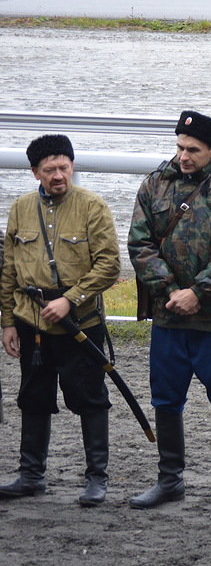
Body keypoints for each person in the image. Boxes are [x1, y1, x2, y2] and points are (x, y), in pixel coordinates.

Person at [128, 111, 211, 512]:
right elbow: (139, 243)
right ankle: (170, 480)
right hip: (168, 316)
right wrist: (170, 290)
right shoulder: (155, 183)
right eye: (180, 147)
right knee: (166, 398)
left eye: (193, 150)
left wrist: (198, 293)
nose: (183, 156)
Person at [0, 135, 120, 506]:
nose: (58, 176)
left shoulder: (93, 207)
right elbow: (8, 269)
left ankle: (96, 479)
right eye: (49, 169)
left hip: (80, 323)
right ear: (34, 172)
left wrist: (70, 300)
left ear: (72, 166)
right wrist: (7, 321)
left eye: (64, 167)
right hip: (30, 322)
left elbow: (109, 265)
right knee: (33, 399)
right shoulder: (20, 209)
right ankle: (31, 475)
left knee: (90, 398)